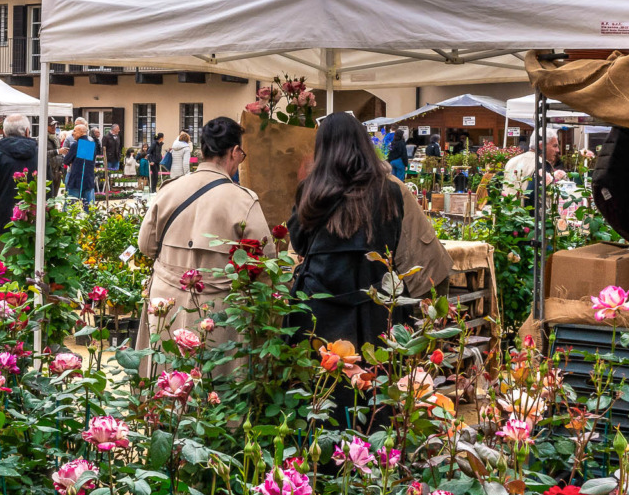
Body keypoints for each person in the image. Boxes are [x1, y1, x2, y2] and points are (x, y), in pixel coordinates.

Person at [286, 112, 451, 352]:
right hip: (376, 305)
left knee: (322, 378)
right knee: (376, 378)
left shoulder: (310, 190)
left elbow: (300, 245)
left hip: (321, 304)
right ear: (363, 144)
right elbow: (392, 245)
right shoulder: (389, 190)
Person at [136, 116, 273, 372]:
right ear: (234, 152)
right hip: (218, 314)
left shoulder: (169, 190)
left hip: (165, 305)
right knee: (214, 392)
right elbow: (264, 263)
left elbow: (145, 246)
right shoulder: (244, 200)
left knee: (165, 385)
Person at [0, 114, 37, 258]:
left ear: (4, 133)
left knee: (0, 274)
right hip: (34, 226)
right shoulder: (40, 154)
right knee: (34, 276)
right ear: (28, 131)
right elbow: (49, 192)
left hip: (2, 224)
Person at [505, 129, 561, 193]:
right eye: (555, 146)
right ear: (541, 146)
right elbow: (532, 194)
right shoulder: (542, 164)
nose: (557, 150)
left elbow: (495, 184)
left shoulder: (512, 161)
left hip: (508, 202)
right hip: (527, 203)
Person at [64, 124, 97, 208]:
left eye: (75, 131)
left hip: (76, 180)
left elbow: (66, 160)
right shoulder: (91, 144)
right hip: (88, 180)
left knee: (70, 208)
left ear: (82, 132)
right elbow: (86, 163)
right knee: (88, 208)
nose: (73, 133)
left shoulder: (76, 145)